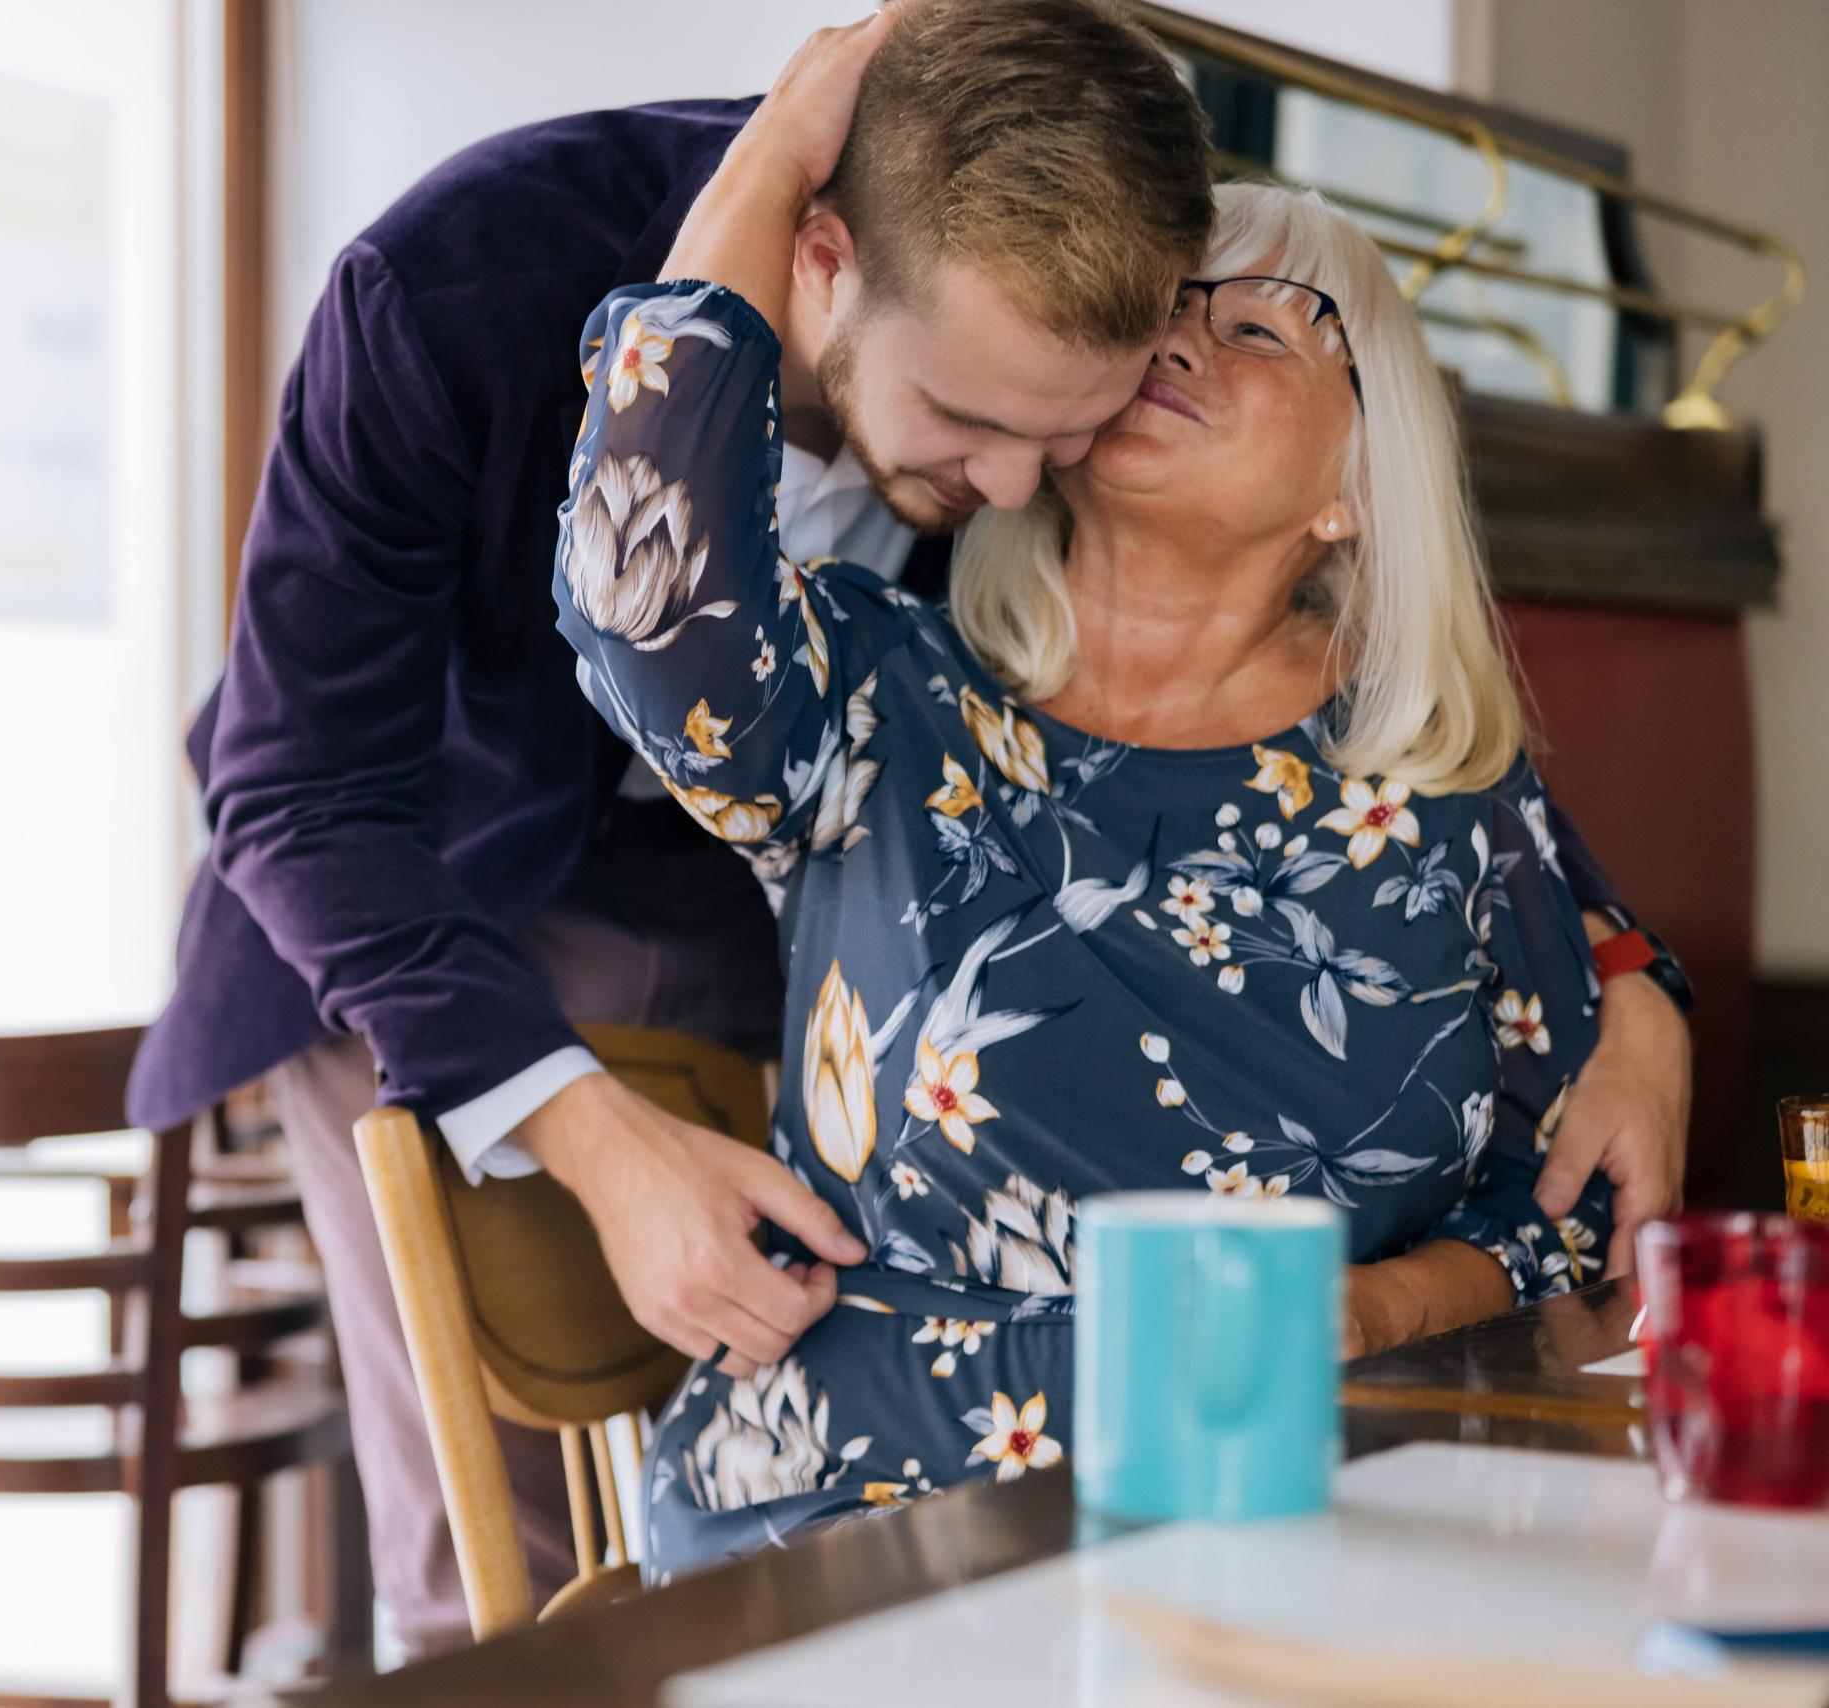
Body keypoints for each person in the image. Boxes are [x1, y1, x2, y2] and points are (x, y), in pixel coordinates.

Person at [130, 0, 1690, 1649]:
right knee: (491, 1576)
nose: (1018, 484)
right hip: (417, 876)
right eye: (974, 422)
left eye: (1068, 424)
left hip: (781, 916)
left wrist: (1621, 969)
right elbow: (312, 778)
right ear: (819, 262)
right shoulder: (469, 287)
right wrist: (586, 1132)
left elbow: (1435, 787)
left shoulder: (1059, 300)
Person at [553, 22, 1670, 1579]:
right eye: (1164, 316)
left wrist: (1372, 1314)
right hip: (861, 1525)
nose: (1183, 346)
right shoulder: (879, 693)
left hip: (1272, 1527)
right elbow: (641, 589)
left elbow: (1561, 1224)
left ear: (1363, 476)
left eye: (1264, 331)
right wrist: (785, 150)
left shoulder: (1447, 797)